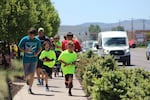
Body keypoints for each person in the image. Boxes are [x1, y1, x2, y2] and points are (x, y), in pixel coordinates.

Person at [18, 28, 42, 94]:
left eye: (32, 35)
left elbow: (40, 48)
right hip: (26, 59)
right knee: (27, 74)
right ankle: (27, 79)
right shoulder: (24, 39)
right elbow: (19, 47)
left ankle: (30, 88)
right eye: (30, 35)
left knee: (32, 74)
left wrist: (37, 54)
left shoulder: (37, 40)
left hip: (34, 59)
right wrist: (25, 51)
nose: (31, 36)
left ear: (34, 35)